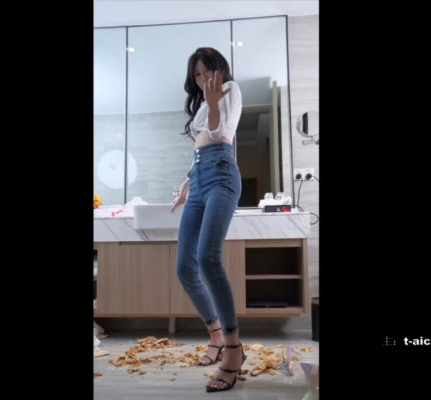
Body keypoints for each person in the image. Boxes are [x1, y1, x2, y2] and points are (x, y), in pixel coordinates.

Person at [170, 47, 245, 393]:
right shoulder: (204, 102)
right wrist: (187, 185)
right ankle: (214, 333)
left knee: (208, 258)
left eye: (207, 72)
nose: (203, 80)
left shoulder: (229, 89)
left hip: (222, 174)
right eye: (197, 75)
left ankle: (233, 348)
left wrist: (214, 105)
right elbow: (199, 149)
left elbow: (218, 133)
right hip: (200, 178)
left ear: (219, 69)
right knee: (185, 268)